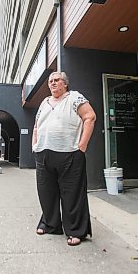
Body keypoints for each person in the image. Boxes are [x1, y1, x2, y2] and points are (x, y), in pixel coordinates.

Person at [31, 71, 96, 246]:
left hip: (70, 154)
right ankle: (51, 224)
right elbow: (36, 126)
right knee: (46, 193)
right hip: (44, 154)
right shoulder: (44, 102)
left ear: (65, 83)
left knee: (72, 195)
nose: (52, 83)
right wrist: (35, 145)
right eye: (50, 81)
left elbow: (90, 117)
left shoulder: (74, 97)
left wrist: (82, 146)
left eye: (57, 80)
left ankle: (75, 231)